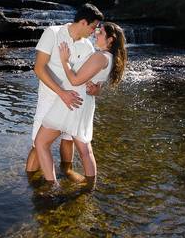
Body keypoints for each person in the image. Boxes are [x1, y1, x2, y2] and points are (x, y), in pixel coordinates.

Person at [33, 22, 127, 186]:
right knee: (85, 149)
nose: (95, 34)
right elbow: (93, 82)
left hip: (72, 101)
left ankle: (51, 185)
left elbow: (75, 80)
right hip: (83, 103)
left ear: (110, 40)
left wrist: (64, 60)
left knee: (41, 142)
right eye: (96, 30)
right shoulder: (109, 58)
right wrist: (95, 88)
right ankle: (90, 187)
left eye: (100, 33)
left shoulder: (100, 56)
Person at [25, 3, 105, 183]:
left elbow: (92, 78)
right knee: (38, 144)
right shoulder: (52, 33)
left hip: (72, 102)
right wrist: (62, 93)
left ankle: (66, 172)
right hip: (50, 97)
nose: (94, 32)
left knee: (68, 139)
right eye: (93, 27)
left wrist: (95, 89)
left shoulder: (88, 47)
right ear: (83, 22)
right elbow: (38, 68)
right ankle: (30, 181)